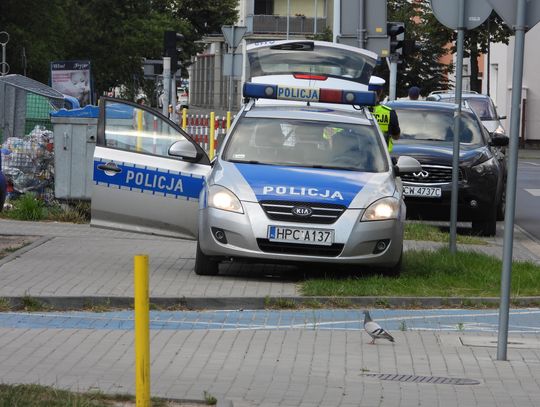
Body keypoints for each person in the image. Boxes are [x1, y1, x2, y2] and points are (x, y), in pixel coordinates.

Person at [369, 83, 400, 152]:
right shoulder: (389, 112)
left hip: (358, 155)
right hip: (382, 156)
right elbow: (396, 136)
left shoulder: (357, 110)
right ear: (380, 93)